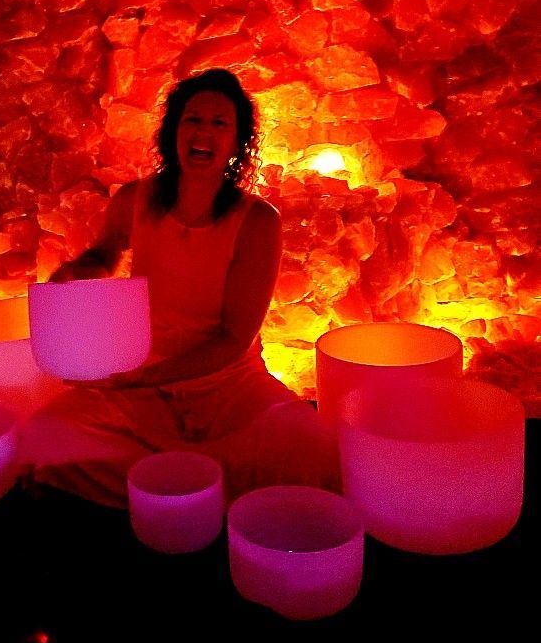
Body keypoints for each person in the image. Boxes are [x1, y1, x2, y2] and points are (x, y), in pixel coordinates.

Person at [19, 68, 338, 506]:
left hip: (229, 385)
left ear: (236, 143)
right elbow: (106, 253)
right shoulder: (135, 198)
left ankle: (169, 487)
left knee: (307, 445)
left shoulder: (257, 222)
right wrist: (77, 272)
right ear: (173, 131)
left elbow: (232, 337)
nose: (203, 132)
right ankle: (195, 487)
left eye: (219, 124)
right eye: (192, 120)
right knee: (43, 436)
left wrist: (144, 377)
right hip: (145, 384)